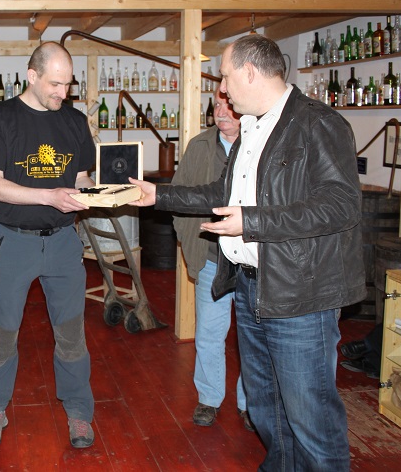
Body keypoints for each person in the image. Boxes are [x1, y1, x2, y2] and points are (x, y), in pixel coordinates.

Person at [129, 34, 365, 470]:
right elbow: (221, 194)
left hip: (301, 297)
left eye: (225, 76)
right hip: (250, 288)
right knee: (265, 407)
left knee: (311, 418)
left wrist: (252, 221)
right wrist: (159, 195)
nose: (222, 88)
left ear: (250, 72)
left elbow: (340, 205)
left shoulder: (317, 123)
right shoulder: (252, 128)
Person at [0, 41, 97, 449]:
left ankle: (79, 412)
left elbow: (79, 178)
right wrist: (50, 196)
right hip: (13, 243)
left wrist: (98, 191)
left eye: (68, 84)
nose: (63, 92)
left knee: (71, 333)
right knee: (3, 331)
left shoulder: (75, 121)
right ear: (32, 76)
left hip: (62, 242)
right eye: (55, 84)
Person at [171, 88, 252, 431]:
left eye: (228, 106)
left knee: (251, 338)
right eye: (217, 105)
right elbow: (179, 196)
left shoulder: (259, 143)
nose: (221, 112)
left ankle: (250, 403)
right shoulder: (199, 146)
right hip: (211, 257)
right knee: (208, 333)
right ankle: (208, 398)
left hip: (251, 260)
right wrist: (187, 237)